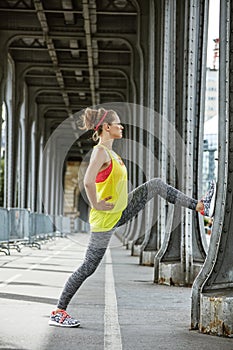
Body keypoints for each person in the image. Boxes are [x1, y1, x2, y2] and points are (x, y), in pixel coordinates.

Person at [49, 107, 216, 327]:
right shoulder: (100, 152)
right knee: (88, 266)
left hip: (120, 210)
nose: (121, 126)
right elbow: (88, 181)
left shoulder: (113, 154)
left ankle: (200, 207)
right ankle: (59, 311)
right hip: (105, 219)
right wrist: (97, 203)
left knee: (155, 185)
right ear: (107, 128)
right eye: (117, 123)